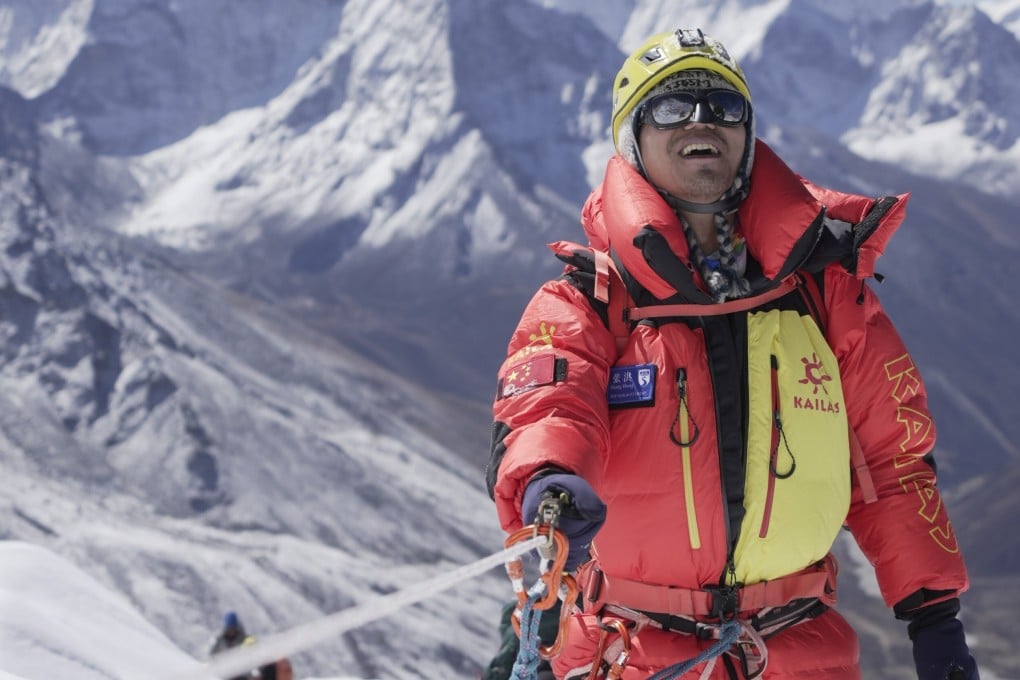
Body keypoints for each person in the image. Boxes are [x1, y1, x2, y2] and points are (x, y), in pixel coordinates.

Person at [485, 26, 979, 679]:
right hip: (629, 652)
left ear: (747, 136)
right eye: (671, 106)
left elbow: (892, 463)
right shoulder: (587, 302)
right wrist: (551, 483)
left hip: (801, 653)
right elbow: (549, 411)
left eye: (725, 107)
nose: (702, 120)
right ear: (631, 139)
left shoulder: (824, 292)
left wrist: (934, 617)